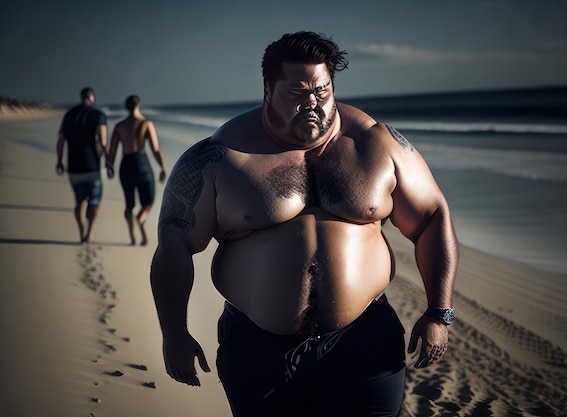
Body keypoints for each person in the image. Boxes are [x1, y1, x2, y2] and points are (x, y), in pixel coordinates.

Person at [151, 31, 458, 417]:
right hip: (258, 349)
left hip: (364, 341)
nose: (312, 104)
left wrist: (438, 312)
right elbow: (175, 240)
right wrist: (174, 333)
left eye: (322, 91)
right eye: (296, 94)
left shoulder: (377, 145)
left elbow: (432, 216)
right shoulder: (221, 156)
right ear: (267, 90)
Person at [107, 95, 166, 246]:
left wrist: (110, 166)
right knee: (148, 202)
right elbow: (155, 148)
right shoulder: (146, 124)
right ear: (138, 105)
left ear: (126, 107)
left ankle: (132, 235)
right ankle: (141, 219)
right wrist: (162, 167)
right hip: (142, 165)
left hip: (126, 166)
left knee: (129, 204)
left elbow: (112, 150)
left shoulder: (120, 126)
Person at [56, 87, 107, 243]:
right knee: (95, 200)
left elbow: (60, 141)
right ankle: (89, 232)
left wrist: (59, 161)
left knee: (79, 201)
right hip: (92, 167)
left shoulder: (69, 115)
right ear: (92, 98)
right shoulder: (97, 115)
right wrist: (108, 161)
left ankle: (81, 231)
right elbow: (103, 142)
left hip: (74, 167)